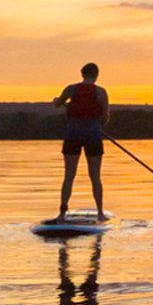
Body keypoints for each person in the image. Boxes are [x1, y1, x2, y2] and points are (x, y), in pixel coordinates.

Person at [51, 62, 110, 220]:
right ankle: (100, 213)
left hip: (73, 135)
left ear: (82, 74)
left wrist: (56, 101)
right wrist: (97, 126)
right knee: (95, 176)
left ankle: (62, 213)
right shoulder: (101, 92)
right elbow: (105, 118)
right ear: (96, 75)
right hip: (93, 135)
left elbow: (57, 104)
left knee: (69, 175)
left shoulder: (71, 89)